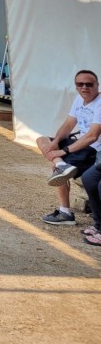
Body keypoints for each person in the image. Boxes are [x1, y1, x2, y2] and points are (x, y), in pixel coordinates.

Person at [37, 69, 101, 227]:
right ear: (76, 86)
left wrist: (62, 151)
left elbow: (92, 136)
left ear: (97, 85)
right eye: (80, 84)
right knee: (42, 139)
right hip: (81, 145)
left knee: (58, 171)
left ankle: (65, 212)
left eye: (89, 84)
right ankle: (61, 164)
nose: (84, 87)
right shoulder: (79, 100)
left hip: (94, 150)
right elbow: (68, 124)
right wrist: (56, 141)